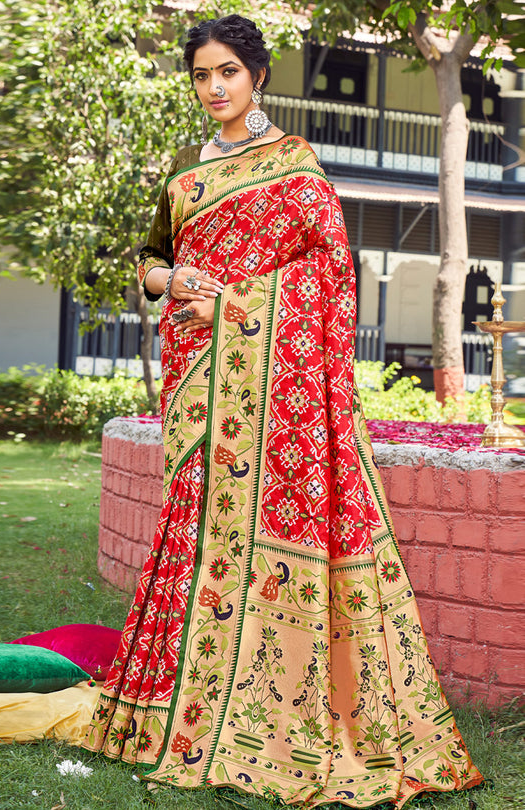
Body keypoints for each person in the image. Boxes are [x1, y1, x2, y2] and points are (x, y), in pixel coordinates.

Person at [83, 15, 482, 807]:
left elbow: (330, 275)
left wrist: (229, 300)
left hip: (277, 393)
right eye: (201, 75)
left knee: (261, 530)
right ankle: (175, 709)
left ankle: (269, 711)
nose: (215, 88)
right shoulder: (187, 173)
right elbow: (152, 258)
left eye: (227, 71)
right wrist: (172, 285)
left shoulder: (295, 165)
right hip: (203, 386)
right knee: (196, 535)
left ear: (257, 76)